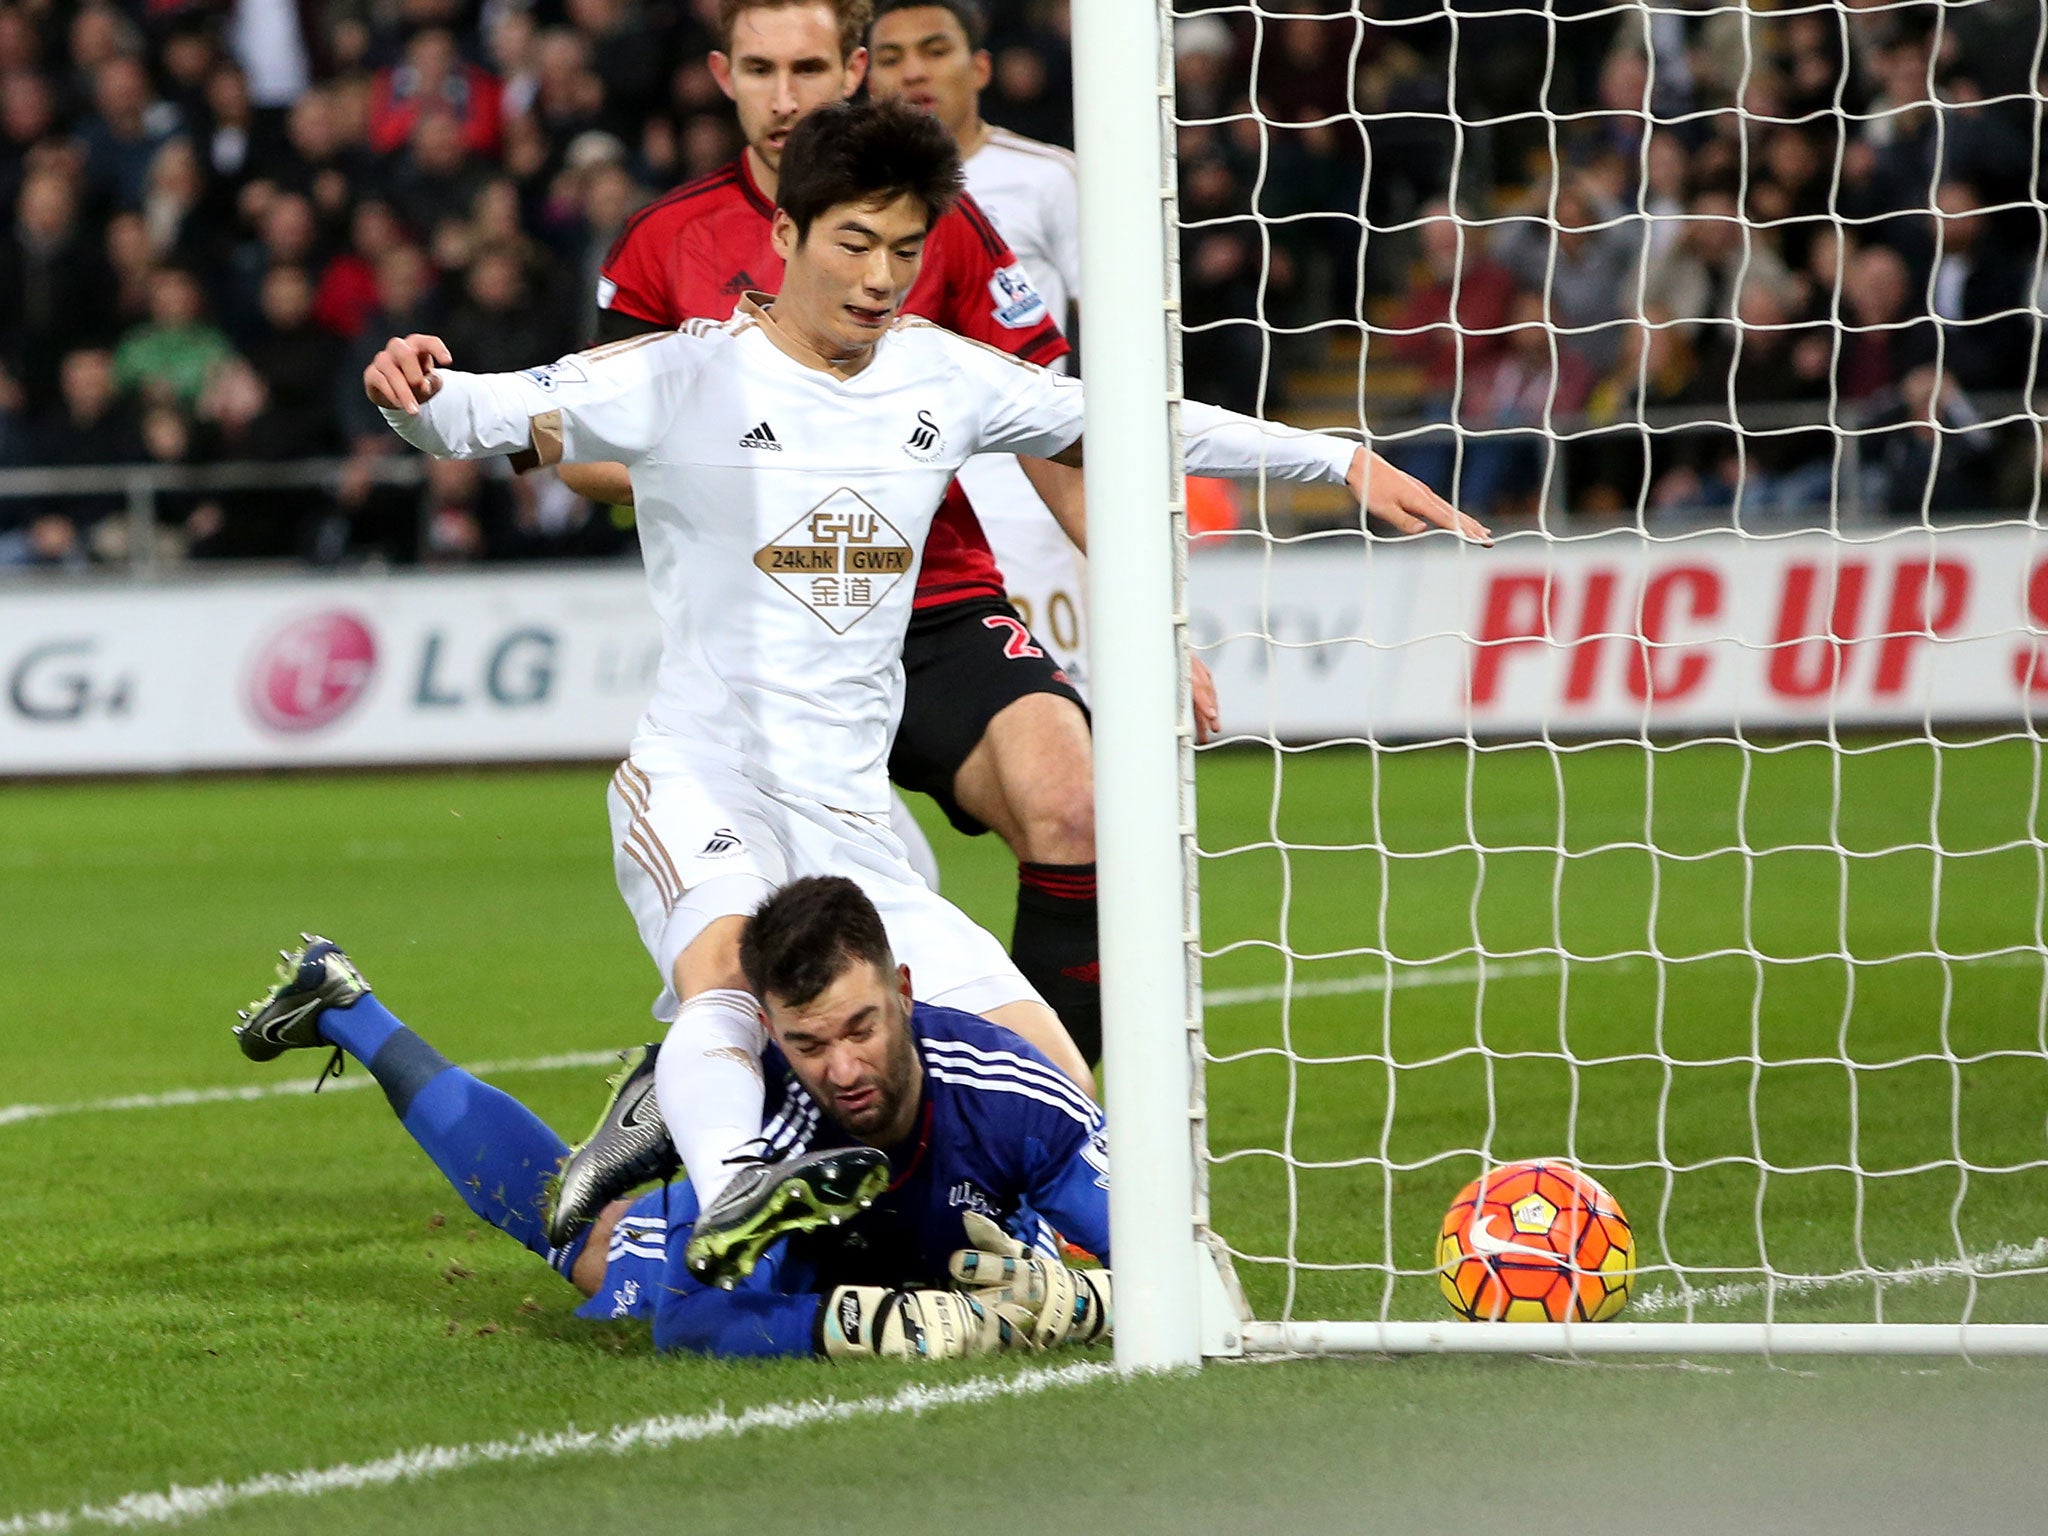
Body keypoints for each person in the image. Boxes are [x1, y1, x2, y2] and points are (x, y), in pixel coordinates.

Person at [362, 96, 1483, 1285]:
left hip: (851, 829)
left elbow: (1142, 423)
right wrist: (411, 389)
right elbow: (478, 410)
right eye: (853, 242)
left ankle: (1063, 1257)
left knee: (1057, 1087)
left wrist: (1340, 459)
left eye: (904, 250)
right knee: (736, 980)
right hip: (700, 778)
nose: (880, 277)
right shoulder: (682, 375)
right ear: (786, 236)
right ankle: (742, 1189)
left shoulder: (941, 380)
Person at [562, 0, 1116, 1069]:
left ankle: (1058, 1141)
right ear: (722, 75)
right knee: (783, 942)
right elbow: (577, 446)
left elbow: (1062, 432)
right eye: (760, 70)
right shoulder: (661, 241)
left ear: (853, 69)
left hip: (932, 599)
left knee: (1077, 810)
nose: (784, 99)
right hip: (772, 638)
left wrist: (1150, 618)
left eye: (808, 67)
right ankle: (751, 1121)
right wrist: (702, 448)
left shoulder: (943, 223)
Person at [230, 879, 1112, 1360]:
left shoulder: (1011, 1096)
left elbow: (1185, 1259)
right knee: (590, 1247)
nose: (841, 1069)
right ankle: (348, 1009)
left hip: (961, 1233)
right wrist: (858, 1330)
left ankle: (655, 1097)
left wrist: (1092, 1298)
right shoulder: (758, 1116)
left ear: (906, 995)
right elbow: (687, 1324)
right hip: (803, 1253)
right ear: (768, 1032)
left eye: (862, 1027)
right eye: (808, 1043)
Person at [867, 0, 1087, 690]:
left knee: (1060, 713)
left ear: (980, 66)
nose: (914, 72)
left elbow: (1114, 328)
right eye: (892, 57)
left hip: (1023, 487)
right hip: (895, 490)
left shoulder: (1049, 177)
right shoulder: (844, 196)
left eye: (935, 50)